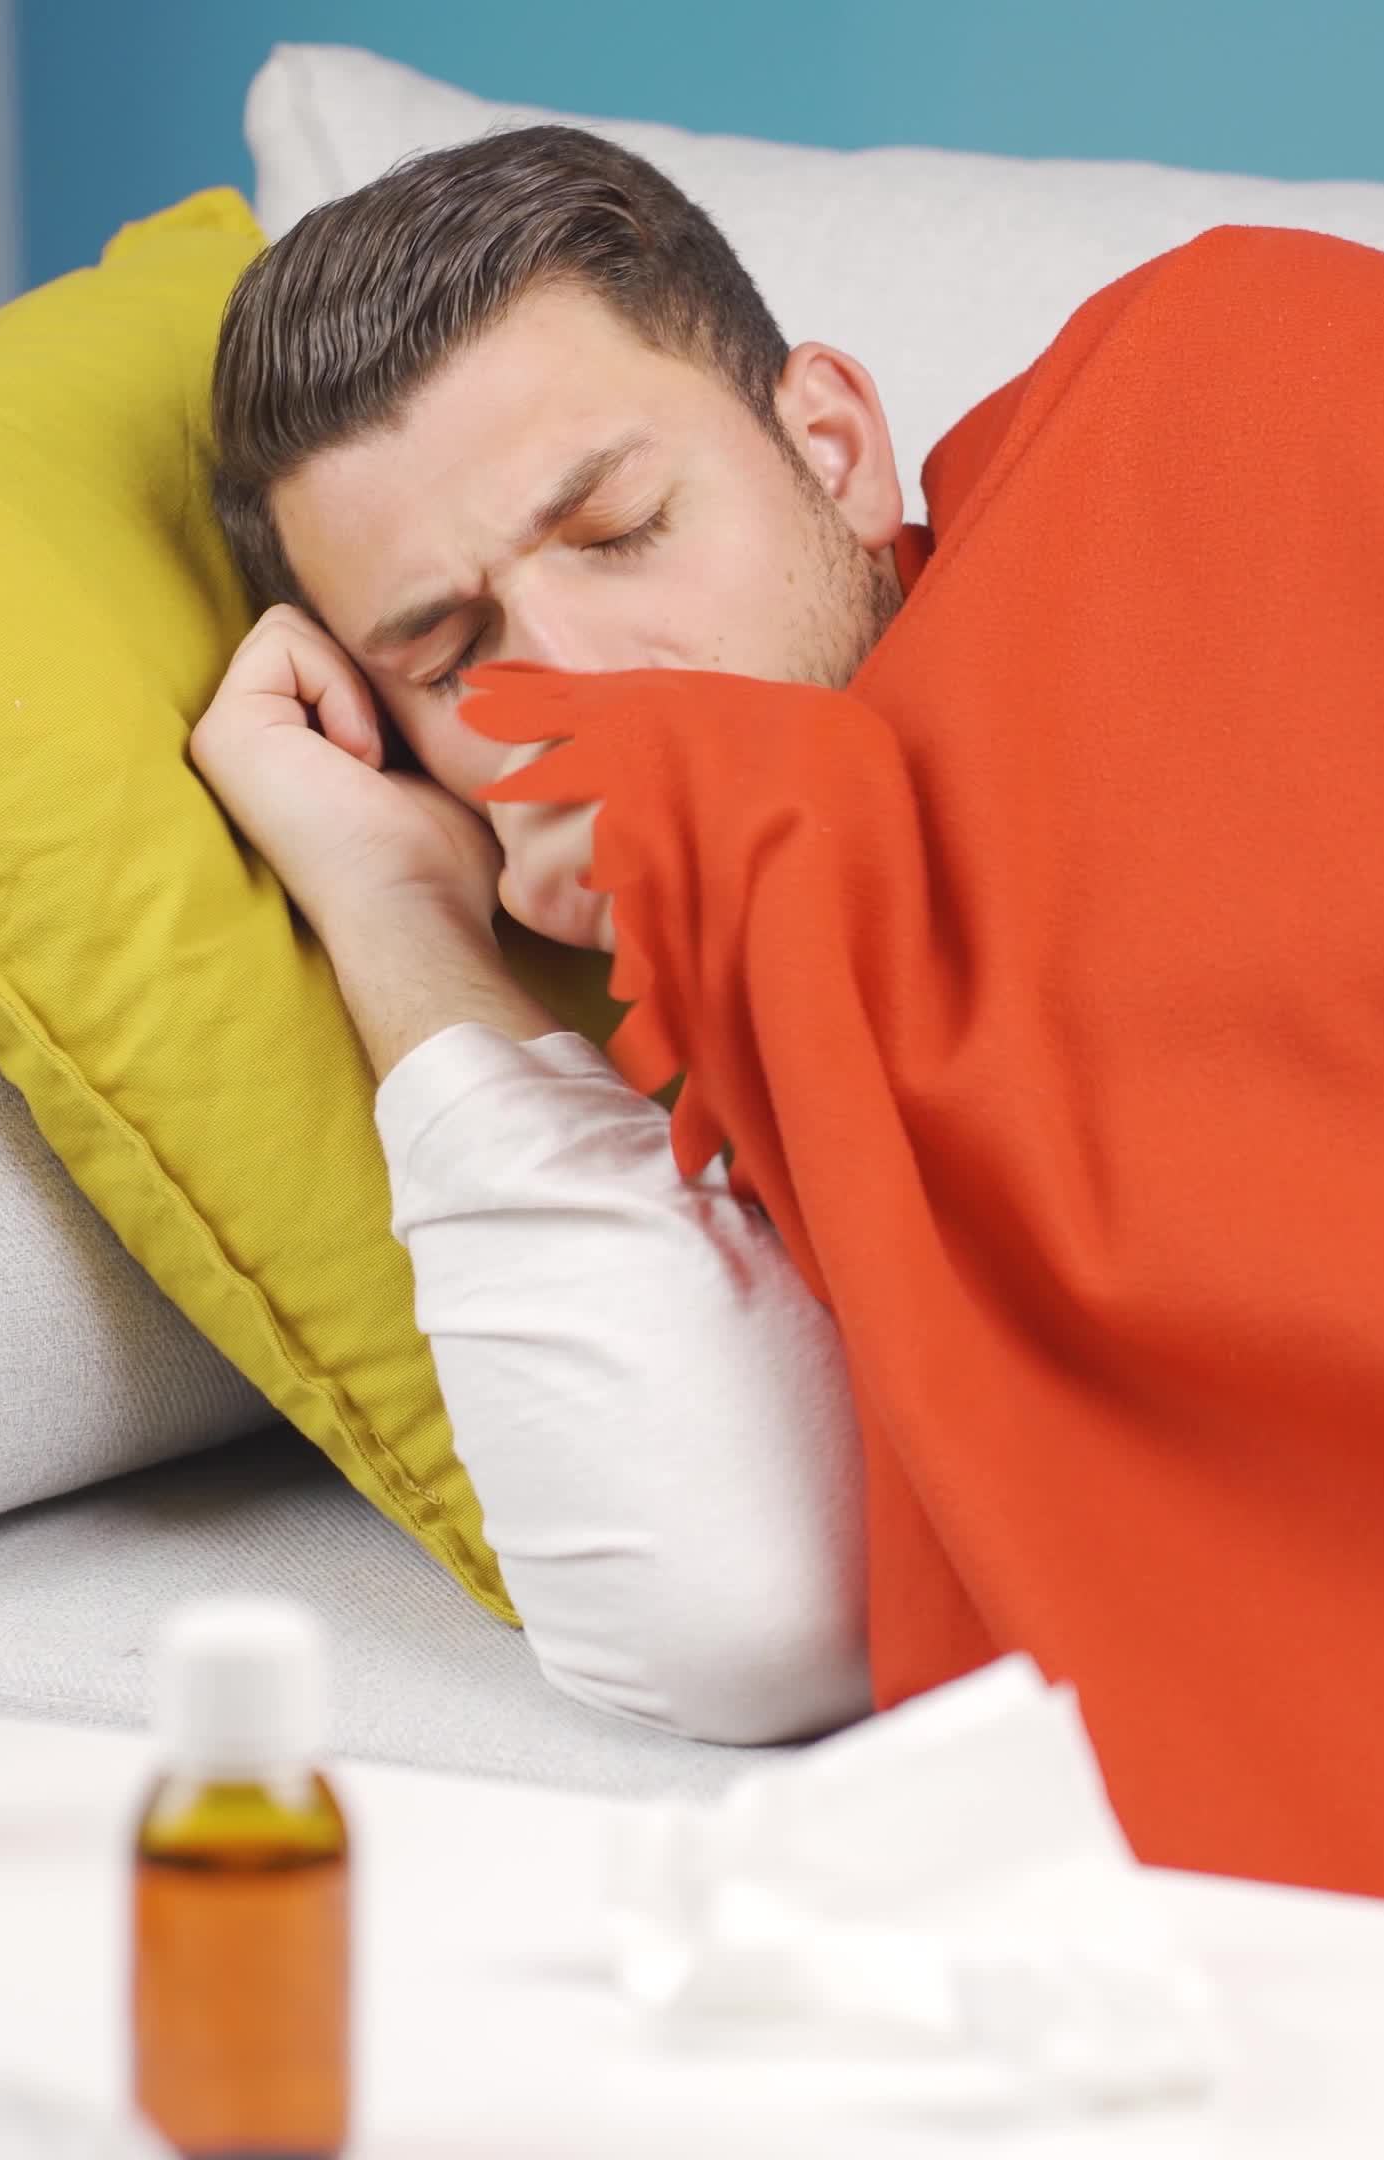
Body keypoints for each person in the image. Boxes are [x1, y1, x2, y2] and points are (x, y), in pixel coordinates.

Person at [187, 125, 903, 1746]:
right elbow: (740, 1608)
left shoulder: (1167, 466)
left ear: (837, 450)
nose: (569, 677)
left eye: (620, 529)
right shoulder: (752, 1002)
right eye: (449, 657)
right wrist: (394, 907)